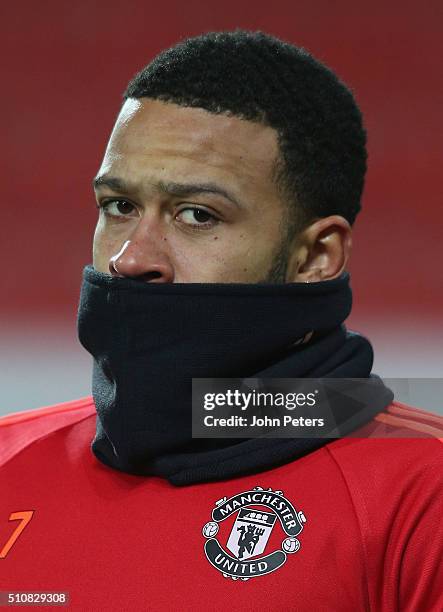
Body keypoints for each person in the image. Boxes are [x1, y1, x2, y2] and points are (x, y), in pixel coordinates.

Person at [1, 30, 442, 611]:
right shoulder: (9, 461)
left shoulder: (422, 492)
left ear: (316, 256)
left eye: (196, 214)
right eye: (119, 206)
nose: (131, 258)